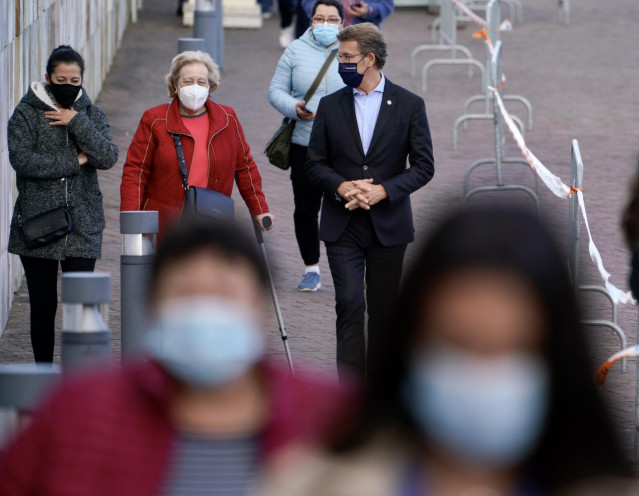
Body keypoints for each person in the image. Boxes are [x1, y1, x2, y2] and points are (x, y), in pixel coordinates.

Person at [262, 207, 635, 495]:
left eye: (516, 351)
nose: (483, 374)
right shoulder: (309, 485)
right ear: (409, 345)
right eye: (457, 345)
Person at [0, 217, 353, 495]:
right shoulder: (79, 412)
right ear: (153, 305)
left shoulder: (329, 417)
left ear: (261, 305)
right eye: (185, 294)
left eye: (223, 294)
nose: (204, 310)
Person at [306, 23, 434, 379]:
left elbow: (424, 166)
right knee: (349, 302)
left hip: (388, 225)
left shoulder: (409, 105)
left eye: (347, 57)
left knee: (383, 310)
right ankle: (349, 391)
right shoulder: (330, 106)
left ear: (369, 59)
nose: (341, 63)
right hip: (341, 221)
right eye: (340, 57)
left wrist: (384, 190)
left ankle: (379, 391)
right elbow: (314, 163)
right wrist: (342, 186)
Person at [7, 45, 118, 363]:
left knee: (80, 305)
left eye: (74, 79)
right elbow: (25, 162)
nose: (68, 85)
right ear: (47, 78)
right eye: (61, 78)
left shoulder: (92, 115)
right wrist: (76, 160)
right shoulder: (25, 115)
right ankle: (43, 372)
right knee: (42, 305)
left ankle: (77, 380)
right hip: (38, 224)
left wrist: (76, 122)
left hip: (83, 226)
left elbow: (107, 156)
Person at [120, 50, 273, 235]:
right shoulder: (155, 119)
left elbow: (244, 166)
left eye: (201, 82)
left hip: (212, 223)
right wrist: (131, 217)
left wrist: (259, 209)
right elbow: (135, 171)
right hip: (164, 225)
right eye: (187, 81)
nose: (195, 87)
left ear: (211, 87)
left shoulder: (227, 118)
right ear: (175, 85)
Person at [268, 0, 345, 291]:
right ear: (310, 20)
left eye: (332, 19)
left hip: (345, 146)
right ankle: (311, 268)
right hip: (305, 143)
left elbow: (372, 87)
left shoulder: (354, 50)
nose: (325, 24)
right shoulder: (296, 50)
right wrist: (293, 107)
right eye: (319, 18)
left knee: (346, 206)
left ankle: (347, 266)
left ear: (342, 22)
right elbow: (274, 90)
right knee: (306, 208)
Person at [296, 0, 393, 38]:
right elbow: (307, 2)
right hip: (325, 34)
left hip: (363, 37)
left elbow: (387, 5)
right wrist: (322, 10)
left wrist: (369, 10)